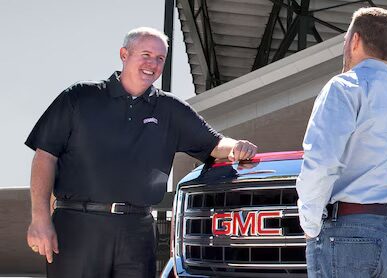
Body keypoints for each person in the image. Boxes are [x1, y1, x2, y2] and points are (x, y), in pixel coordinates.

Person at [25, 27, 257, 277]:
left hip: (137, 231)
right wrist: (40, 219)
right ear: (124, 54)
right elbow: (45, 155)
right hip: (77, 225)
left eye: (160, 59)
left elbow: (214, 144)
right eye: (145, 54)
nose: (153, 64)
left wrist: (235, 146)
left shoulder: (170, 109)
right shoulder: (80, 97)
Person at [296, 7, 387, 278]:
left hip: (347, 233)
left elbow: (322, 161)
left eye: (345, 39)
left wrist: (310, 223)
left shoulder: (343, 87)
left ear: (355, 40)